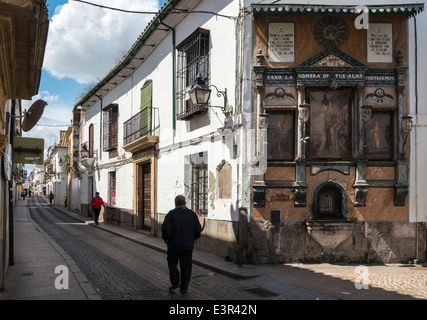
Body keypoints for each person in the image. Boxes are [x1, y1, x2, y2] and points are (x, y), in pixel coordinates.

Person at [161, 195, 201, 294]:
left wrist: (166, 238)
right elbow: (198, 228)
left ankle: (175, 282)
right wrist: (195, 237)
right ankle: (184, 288)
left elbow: (165, 229)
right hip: (187, 246)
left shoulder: (171, 214)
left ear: (175, 203)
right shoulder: (192, 214)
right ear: (185, 203)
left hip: (174, 246)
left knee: (172, 264)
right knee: (186, 267)